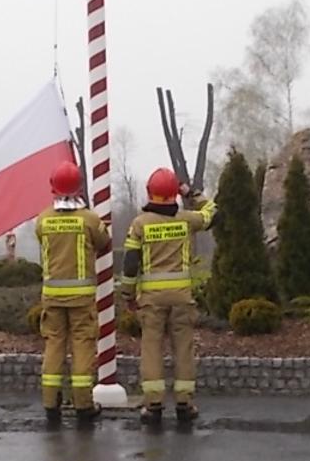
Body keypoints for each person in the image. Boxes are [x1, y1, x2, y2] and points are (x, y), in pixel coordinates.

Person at [119, 168, 216, 424]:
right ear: (175, 193)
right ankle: (184, 403)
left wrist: (128, 294)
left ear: (149, 192)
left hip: (152, 300)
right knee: (183, 348)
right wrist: (191, 193)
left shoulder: (140, 224)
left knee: (151, 348)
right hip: (182, 298)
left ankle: (153, 405)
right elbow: (213, 212)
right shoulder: (186, 220)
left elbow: (130, 264)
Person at [34, 161, 110, 424]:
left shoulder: (43, 219)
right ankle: (83, 405)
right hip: (81, 299)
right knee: (82, 347)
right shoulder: (90, 219)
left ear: (53, 187)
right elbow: (104, 242)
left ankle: (50, 403)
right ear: (79, 187)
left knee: (54, 346)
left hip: (52, 297)